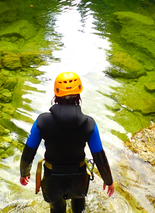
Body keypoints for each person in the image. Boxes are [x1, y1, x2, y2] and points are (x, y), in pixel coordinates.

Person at [20, 71, 115, 213]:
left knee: (56, 208)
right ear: (79, 94)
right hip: (79, 178)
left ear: (56, 94)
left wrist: (24, 173)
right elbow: (99, 156)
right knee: (79, 208)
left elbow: (29, 151)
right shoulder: (89, 124)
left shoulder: (42, 121)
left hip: (53, 179)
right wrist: (108, 181)